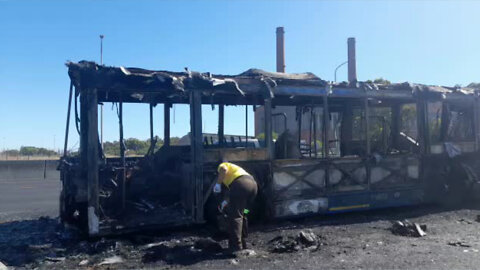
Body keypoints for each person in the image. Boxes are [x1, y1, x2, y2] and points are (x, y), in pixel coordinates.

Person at [213, 161, 258, 252]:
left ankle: (235, 246)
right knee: (244, 213)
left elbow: (223, 169)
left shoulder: (223, 165)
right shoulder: (236, 172)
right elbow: (233, 194)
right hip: (253, 187)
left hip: (242, 185)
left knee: (236, 216)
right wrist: (224, 203)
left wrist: (218, 184)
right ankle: (244, 242)